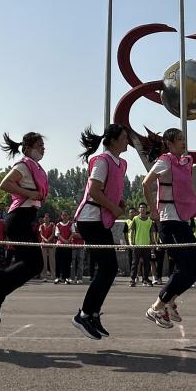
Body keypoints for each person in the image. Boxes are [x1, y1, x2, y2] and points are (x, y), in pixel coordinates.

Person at [0, 132, 49, 323]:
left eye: (43, 146)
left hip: (26, 219)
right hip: (19, 218)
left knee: (30, 265)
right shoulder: (23, 165)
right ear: (27, 148)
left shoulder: (35, 167)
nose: (43, 149)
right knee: (34, 263)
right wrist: (29, 193)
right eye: (39, 145)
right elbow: (4, 184)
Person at [71, 124, 130, 339]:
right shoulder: (103, 161)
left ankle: (93, 313)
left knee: (110, 268)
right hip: (90, 219)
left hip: (101, 220)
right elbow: (94, 191)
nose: (127, 140)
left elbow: (109, 190)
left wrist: (118, 202)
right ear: (113, 140)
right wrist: (114, 207)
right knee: (107, 267)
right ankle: (84, 314)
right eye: (124, 137)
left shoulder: (120, 163)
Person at [142, 129, 196, 329]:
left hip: (183, 221)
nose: (183, 142)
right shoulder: (165, 161)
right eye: (179, 140)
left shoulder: (185, 162)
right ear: (169, 143)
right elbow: (146, 183)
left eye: (184, 139)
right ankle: (156, 308)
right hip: (168, 221)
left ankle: (170, 301)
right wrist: (153, 210)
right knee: (184, 267)